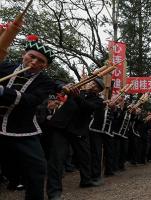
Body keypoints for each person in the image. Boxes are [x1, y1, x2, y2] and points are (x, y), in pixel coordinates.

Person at [0, 36, 55, 200]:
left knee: (37, 169)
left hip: (23, 130)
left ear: (45, 66)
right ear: (24, 54)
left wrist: (3, 91)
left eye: (41, 61)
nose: (34, 62)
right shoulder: (4, 67)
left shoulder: (45, 82)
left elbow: (30, 100)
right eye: (32, 56)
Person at [46, 78, 104, 200]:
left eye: (96, 86)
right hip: (61, 127)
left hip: (78, 130)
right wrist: (66, 87)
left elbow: (87, 106)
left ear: (98, 91)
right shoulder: (77, 89)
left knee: (85, 156)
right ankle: (54, 192)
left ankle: (86, 180)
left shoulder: (98, 101)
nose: (93, 85)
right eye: (92, 82)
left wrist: (76, 95)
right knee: (57, 158)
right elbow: (59, 86)